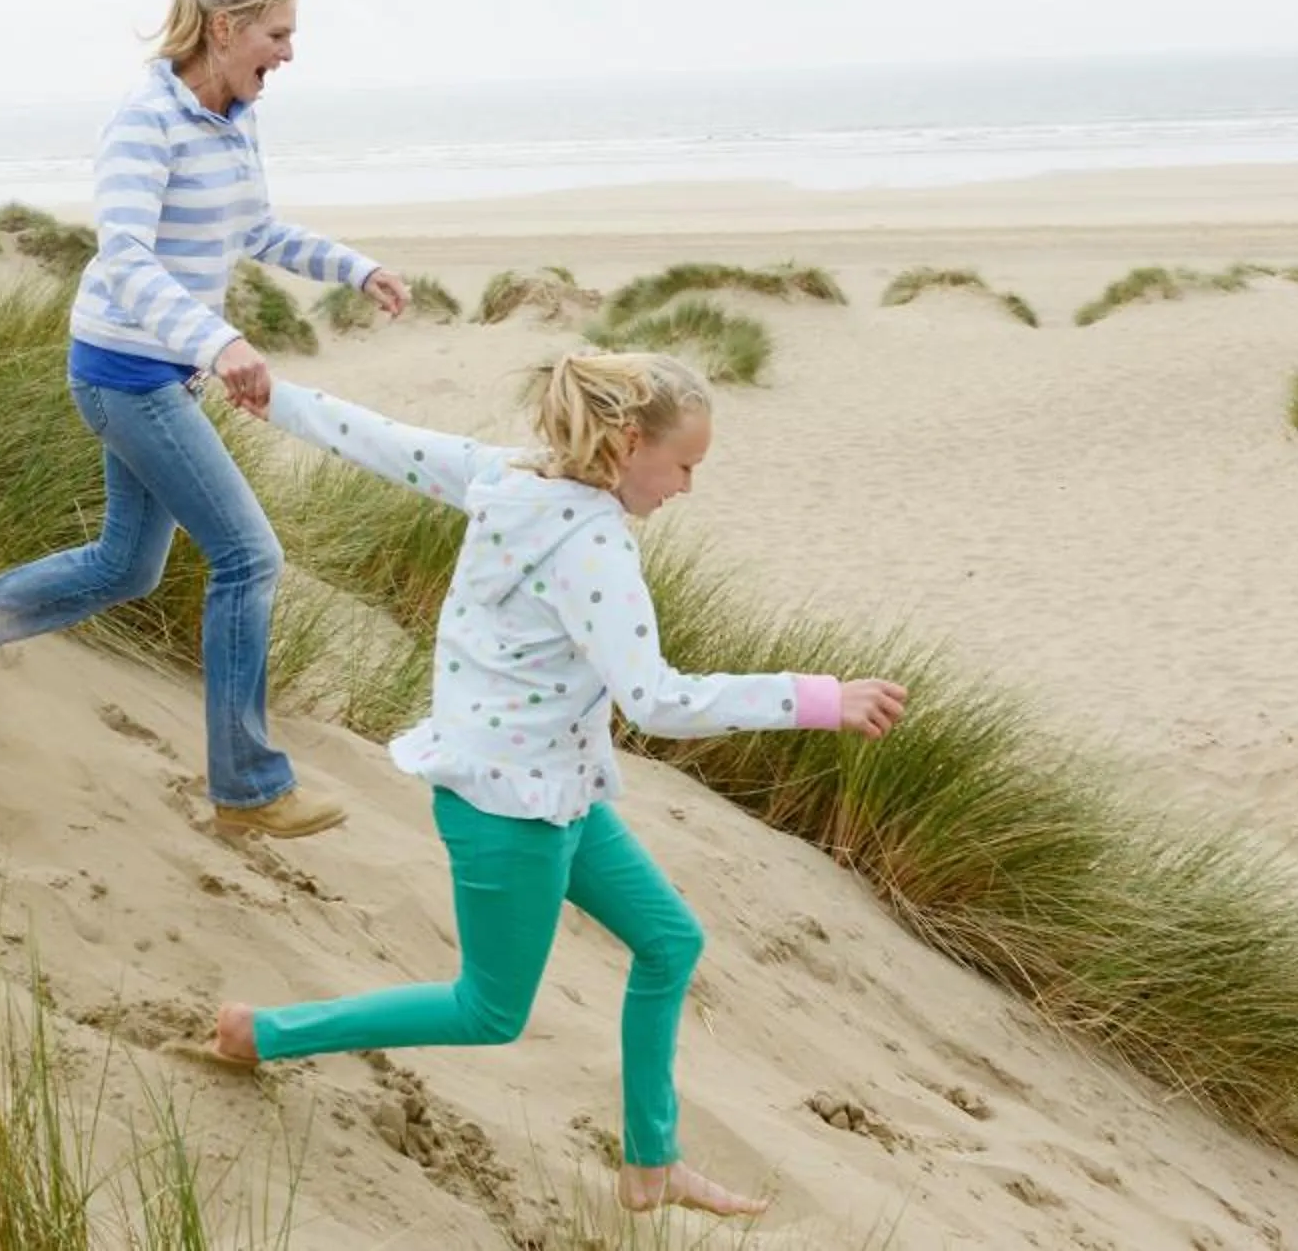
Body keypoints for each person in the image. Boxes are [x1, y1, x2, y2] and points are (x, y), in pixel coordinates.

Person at [205, 353, 909, 1218]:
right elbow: (656, 699)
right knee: (488, 1011)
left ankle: (651, 1164)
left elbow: (387, 443)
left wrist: (280, 400)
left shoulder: (505, 475)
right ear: (624, 442)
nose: (689, 486)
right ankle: (260, 1034)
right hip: (509, 812)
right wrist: (816, 699)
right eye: (685, 464)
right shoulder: (596, 549)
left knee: (669, 942)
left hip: (560, 793)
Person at [0, 0, 409, 838]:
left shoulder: (235, 117)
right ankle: (248, 789)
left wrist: (354, 268)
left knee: (128, 566)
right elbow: (126, 258)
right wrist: (218, 339)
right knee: (250, 558)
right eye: (279, 34)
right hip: (124, 374)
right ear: (226, 30)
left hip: (166, 371)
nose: (290, 54)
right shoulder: (144, 122)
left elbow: (254, 227)